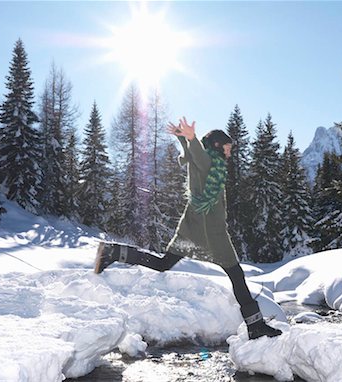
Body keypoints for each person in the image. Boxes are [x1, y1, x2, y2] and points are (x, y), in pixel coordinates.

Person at [95, 117, 282, 339]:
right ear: (216, 146)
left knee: (164, 263)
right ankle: (255, 326)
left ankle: (113, 252)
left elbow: (195, 156)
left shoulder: (207, 165)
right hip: (211, 235)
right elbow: (199, 156)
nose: (229, 153)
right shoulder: (208, 163)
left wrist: (184, 139)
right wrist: (191, 139)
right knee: (236, 274)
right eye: (227, 147)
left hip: (193, 230)